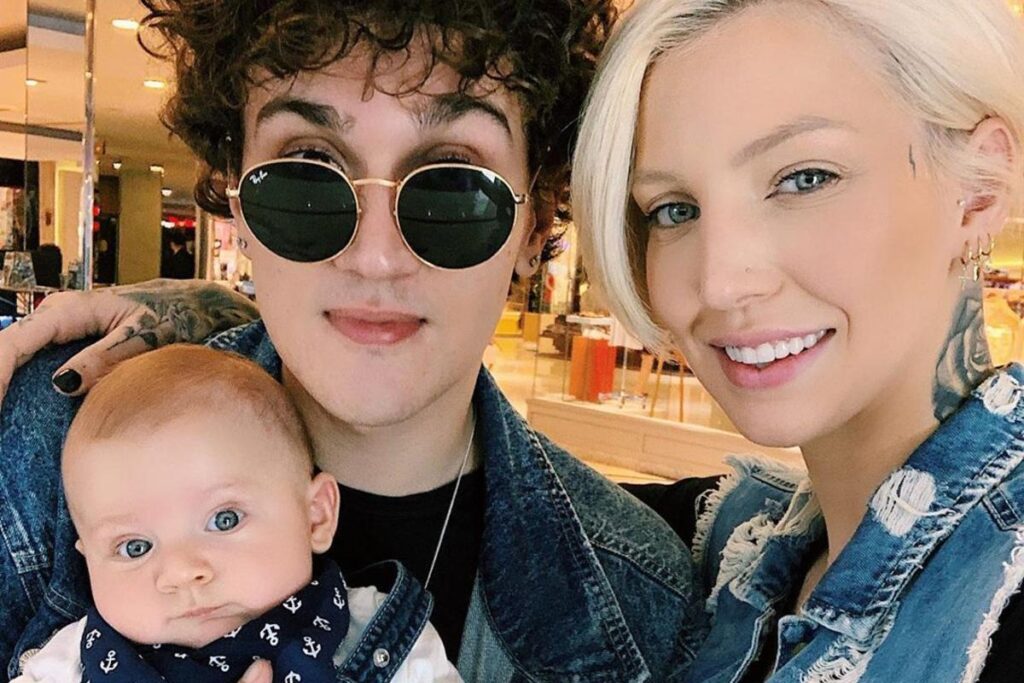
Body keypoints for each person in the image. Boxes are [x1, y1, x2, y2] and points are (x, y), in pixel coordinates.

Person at [0, 1, 704, 681]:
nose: (376, 257)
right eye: (306, 172)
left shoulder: (638, 601)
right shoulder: (46, 458)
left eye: (451, 182)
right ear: (237, 200)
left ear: (536, 221)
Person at [573, 0, 1024, 680]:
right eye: (674, 210)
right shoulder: (720, 548)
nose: (720, 281)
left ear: (978, 190)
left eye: (804, 179)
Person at [14, 344, 460, 683]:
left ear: (316, 516)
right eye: (134, 547)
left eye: (224, 520)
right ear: (89, 560)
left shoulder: (387, 645)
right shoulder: (63, 667)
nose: (183, 573)